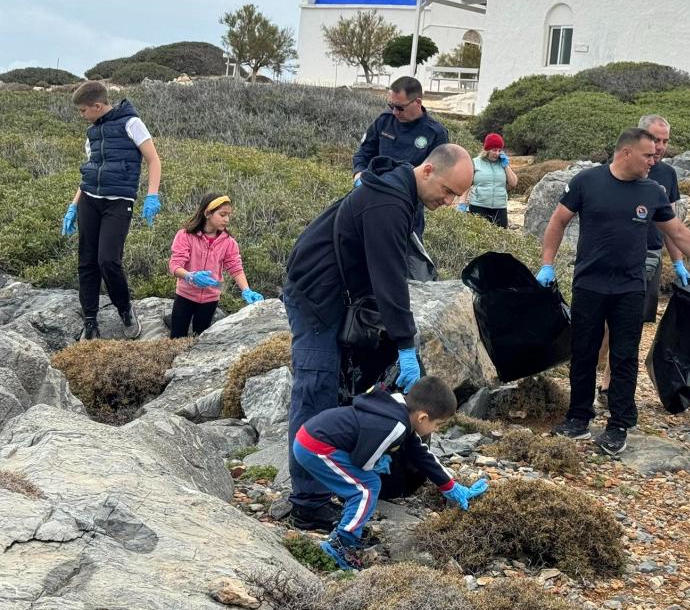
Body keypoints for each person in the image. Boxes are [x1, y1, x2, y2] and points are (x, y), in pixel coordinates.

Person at [283, 143, 474, 531]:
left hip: (342, 297)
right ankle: (307, 502)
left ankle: (344, 473)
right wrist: (405, 343)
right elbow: (389, 277)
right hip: (316, 296)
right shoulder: (388, 201)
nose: (450, 201)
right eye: (449, 191)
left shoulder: (405, 195)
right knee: (316, 386)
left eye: (458, 195)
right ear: (427, 171)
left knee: (343, 384)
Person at [536, 128, 690, 457]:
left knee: (624, 356)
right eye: (648, 155)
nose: (654, 159)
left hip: (630, 288)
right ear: (626, 153)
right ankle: (578, 416)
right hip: (589, 285)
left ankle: (619, 422)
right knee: (584, 352)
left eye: (656, 155)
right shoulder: (587, 182)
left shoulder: (653, 191)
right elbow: (559, 220)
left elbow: (677, 231)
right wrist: (547, 263)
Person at [293, 375, 488, 570]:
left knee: (365, 484)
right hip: (317, 447)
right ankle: (340, 543)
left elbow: (421, 454)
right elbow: (362, 461)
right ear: (422, 418)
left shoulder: (399, 408)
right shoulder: (396, 425)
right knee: (366, 488)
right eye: (437, 425)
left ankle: (347, 531)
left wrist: (451, 487)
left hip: (314, 438)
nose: (435, 430)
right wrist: (378, 461)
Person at [595, 114, 684, 406]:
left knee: (629, 320)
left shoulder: (668, 175)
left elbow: (672, 225)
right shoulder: (621, 166)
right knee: (605, 318)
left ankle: (610, 383)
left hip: (648, 255)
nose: (659, 147)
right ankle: (593, 366)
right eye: (654, 139)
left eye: (665, 141)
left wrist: (679, 262)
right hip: (613, 255)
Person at [63, 81, 162, 342]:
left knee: (108, 260)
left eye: (84, 110)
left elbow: (153, 160)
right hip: (89, 201)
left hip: (118, 201)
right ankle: (90, 321)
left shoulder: (132, 123)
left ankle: (125, 310)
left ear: (97, 106)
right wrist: (74, 205)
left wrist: (152, 195)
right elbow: (90, 170)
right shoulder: (92, 133)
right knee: (86, 261)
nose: (82, 115)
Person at [351, 76, 449, 238]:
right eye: (391, 106)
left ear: (417, 103)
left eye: (400, 107)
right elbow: (363, 153)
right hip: (370, 197)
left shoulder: (435, 133)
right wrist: (359, 175)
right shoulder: (384, 121)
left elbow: (437, 176)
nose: (395, 112)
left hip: (407, 209)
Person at [167, 193, 264, 338]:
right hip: (185, 295)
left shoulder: (228, 242)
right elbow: (174, 265)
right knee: (176, 337)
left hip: (210, 298)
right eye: (222, 214)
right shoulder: (185, 235)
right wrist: (189, 276)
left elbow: (235, 267)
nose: (227, 219)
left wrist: (246, 290)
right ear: (207, 213)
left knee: (201, 338)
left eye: (229, 215)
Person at [457, 132, 517, 227]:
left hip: (500, 209)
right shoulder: (475, 162)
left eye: (499, 150)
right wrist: (462, 203)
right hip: (478, 207)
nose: (497, 153)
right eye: (494, 150)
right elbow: (467, 185)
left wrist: (506, 166)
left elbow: (513, 183)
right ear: (487, 149)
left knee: (500, 240)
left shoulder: (503, 163)